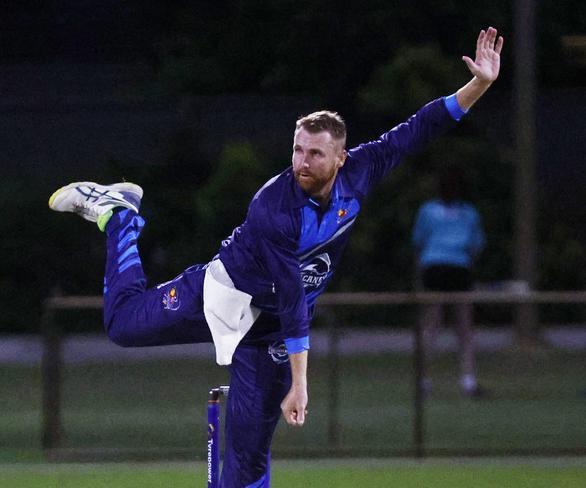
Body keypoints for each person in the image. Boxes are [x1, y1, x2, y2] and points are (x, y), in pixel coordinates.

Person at [49, 27, 503, 487]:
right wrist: (301, 384)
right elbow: (292, 297)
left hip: (271, 329)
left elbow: (418, 128)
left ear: (341, 157)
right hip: (224, 295)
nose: (302, 162)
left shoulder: (361, 171)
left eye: (315, 154)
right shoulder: (274, 207)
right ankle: (120, 217)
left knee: (248, 459)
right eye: (297, 150)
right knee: (122, 326)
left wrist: (480, 84)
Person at [412, 164, 487, 398]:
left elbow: (418, 241)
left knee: (430, 325)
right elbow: (477, 246)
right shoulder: (469, 212)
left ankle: (423, 381)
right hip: (459, 268)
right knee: (464, 326)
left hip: (434, 267)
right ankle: (468, 380)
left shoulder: (427, 211)